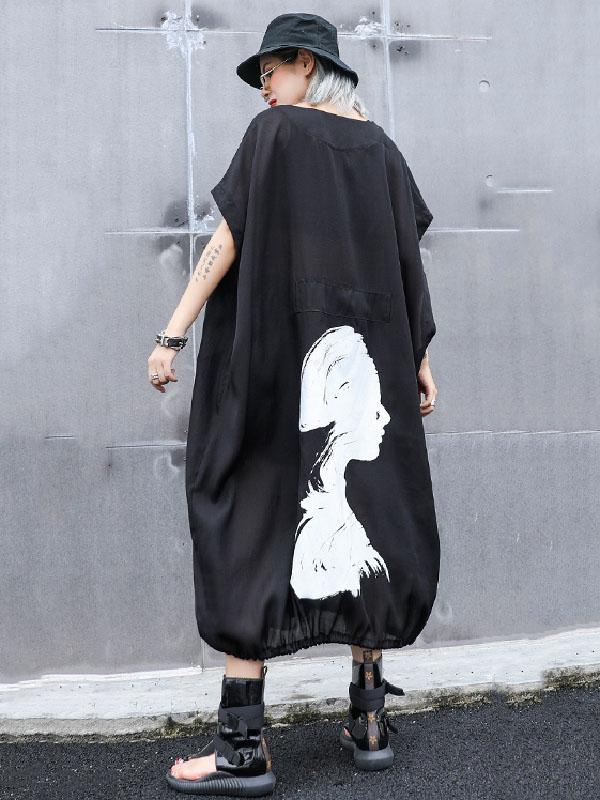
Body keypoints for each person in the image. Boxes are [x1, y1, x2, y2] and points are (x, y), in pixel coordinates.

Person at [147, 12, 439, 797]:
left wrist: (172, 333)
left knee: (249, 511)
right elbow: (406, 263)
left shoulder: (274, 137)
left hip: (280, 372)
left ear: (305, 63)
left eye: (269, 72)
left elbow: (227, 240)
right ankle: (369, 720)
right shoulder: (382, 151)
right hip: (368, 368)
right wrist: (418, 359)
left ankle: (243, 747)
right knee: (368, 509)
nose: (263, 89)